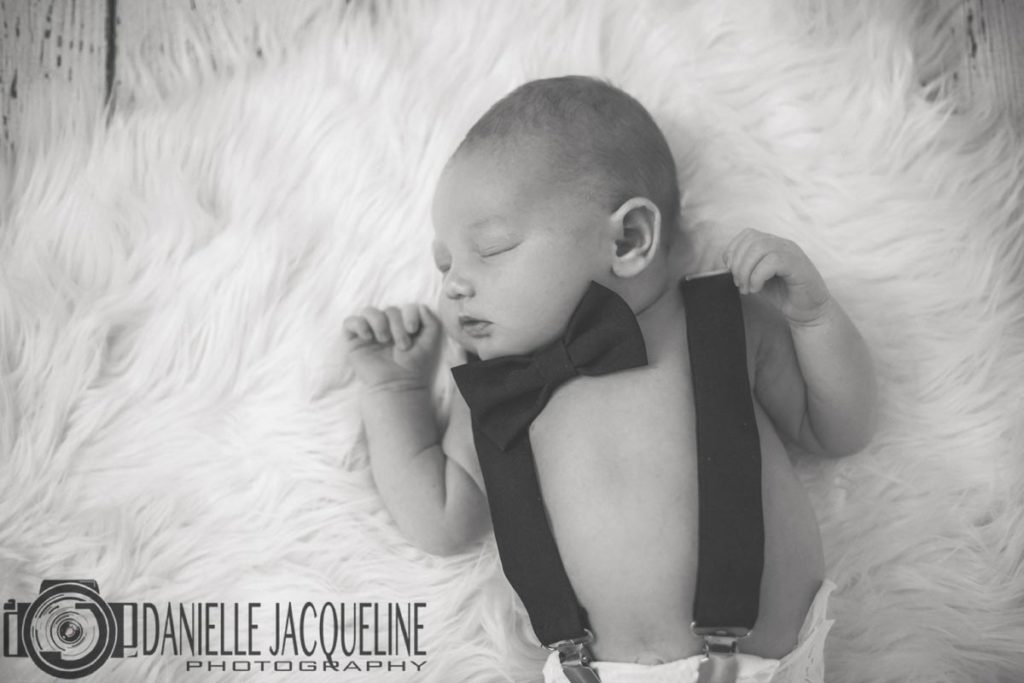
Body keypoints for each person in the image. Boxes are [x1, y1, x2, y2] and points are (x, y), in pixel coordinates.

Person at [342, 75, 877, 683]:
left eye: (489, 249)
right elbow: (441, 520)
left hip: (760, 668)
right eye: (445, 264)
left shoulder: (724, 323)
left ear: (628, 238)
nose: (454, 284)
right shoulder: (500, 389)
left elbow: (839, 429)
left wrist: (814, 317)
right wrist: (393, 392)